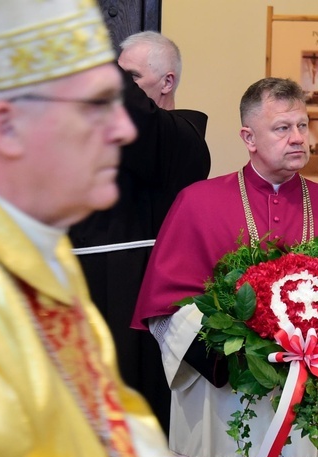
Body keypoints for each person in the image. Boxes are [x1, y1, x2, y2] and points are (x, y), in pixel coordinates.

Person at [0, 1, 239, 457]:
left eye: (119, 96)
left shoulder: (181, 137)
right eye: (95, 104)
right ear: (4, 126)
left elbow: (104, 403)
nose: (122, 129)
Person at [131, 77, 318, 457]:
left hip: (308, 408)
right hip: (221, 405)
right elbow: (166, 306)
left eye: (302, 126)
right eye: (282, 128)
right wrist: (236, 360)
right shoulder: (197, 204)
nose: (297, 138)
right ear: (248, 137)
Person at [69, 30, 211, 434]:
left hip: (132, 293)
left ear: (167, 82)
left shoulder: (180, 136)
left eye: (128, 77)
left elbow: (140, 123)